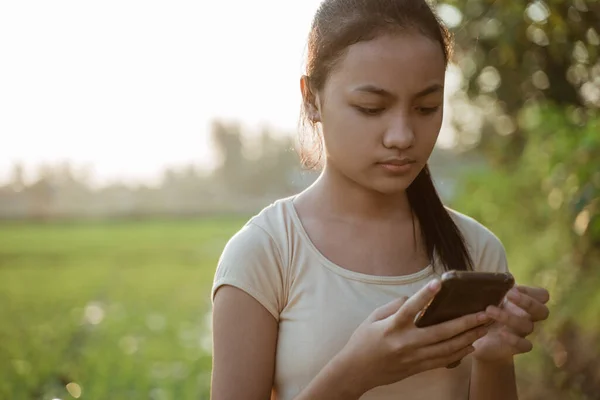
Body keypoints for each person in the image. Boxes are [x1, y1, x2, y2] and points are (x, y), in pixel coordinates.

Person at [210, 0, 550, 399]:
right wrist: (355, 374)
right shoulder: (266, 254)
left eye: (426, 107)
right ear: (312, 99)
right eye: (372, 108)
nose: (402, 135)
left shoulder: (477, 251)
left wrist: (493, 358)